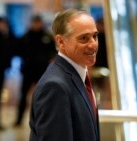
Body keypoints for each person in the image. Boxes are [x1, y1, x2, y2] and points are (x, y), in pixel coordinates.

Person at [29, 9, 100, 141]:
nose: (93, 44)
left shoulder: (77, 75)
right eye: (84, 38)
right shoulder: (55, 86)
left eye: (95, 36)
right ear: (61, 42)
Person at [14, 15, 56, 127]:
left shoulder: (47, 37)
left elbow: (53, 52)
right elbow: (17, 50)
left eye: (38, 23)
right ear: (32, 23)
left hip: (42, 72)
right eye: (34, 22)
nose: (36, 25)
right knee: (23, 96)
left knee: (43, 96)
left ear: (41, 23)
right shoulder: (26, 36)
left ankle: (42, 121)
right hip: (27, 71)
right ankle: (18, 120)